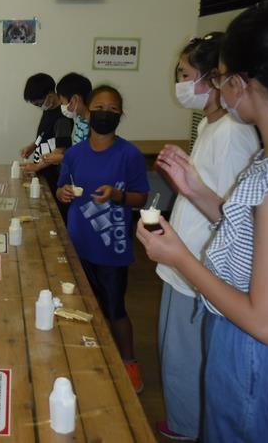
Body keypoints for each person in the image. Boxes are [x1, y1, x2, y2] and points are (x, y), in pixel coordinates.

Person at [138, 0, 268, 442]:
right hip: (237, 340)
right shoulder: (266, 162)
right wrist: (196, 189)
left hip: (250, 352)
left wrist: (180, 256)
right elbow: (250, 235)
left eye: (220, 77)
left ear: (240, 82)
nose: (218, 88)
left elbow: (264, 322)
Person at [153, 33, 259, 440]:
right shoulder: (212, 126)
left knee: (186, 356)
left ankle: (186, 426)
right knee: (176, 352)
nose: (179, 83)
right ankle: (185, 419)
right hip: (184, 262)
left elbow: (237, 217)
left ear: (216, 79)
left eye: (185, 74)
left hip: (199, 265)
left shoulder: (233, 133)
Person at [55, 85, 149, 393]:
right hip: (77, 244)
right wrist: (63, 192)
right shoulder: (74, 154)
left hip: (112, 247)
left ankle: (129, 363)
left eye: (112, 109)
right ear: (89, 110)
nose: (105, 114)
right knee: (81, 308)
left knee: (115, 309)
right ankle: (87, 359)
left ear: (120, 115)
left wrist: (118, 195)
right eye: (100, 108)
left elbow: (140, 197)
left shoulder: (129, 154)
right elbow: (60, 188)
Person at [19, 73, 73, 196]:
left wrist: (37, 166)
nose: (39, 107)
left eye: (39, 103)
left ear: (50, 96)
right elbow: (43, 135)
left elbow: (60, 151)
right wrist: (32, 147)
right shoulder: (48, 110)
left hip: (55, 175)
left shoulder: (63, 118)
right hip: (43, 171)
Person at [41, 72, 92, 166]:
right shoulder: (79, 119)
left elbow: (91, 158)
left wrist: (62, 158)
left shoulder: (93, 125)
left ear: (74, 100)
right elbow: (77, 151)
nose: (62, 106)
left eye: (63, 102)